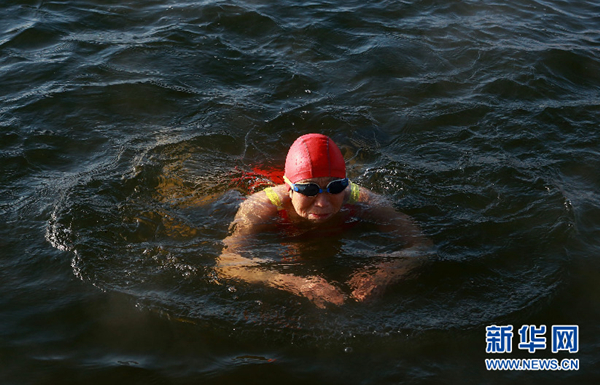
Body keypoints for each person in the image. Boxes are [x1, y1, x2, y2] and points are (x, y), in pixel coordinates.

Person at [216, 133, 432, 308]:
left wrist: (383, 274)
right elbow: (227, 263)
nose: (322, 203)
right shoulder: (262, 206)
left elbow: (422, 247)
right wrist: (295, 283)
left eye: (335, 188)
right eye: (309, 190)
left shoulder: (364, 200)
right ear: (289, 188)